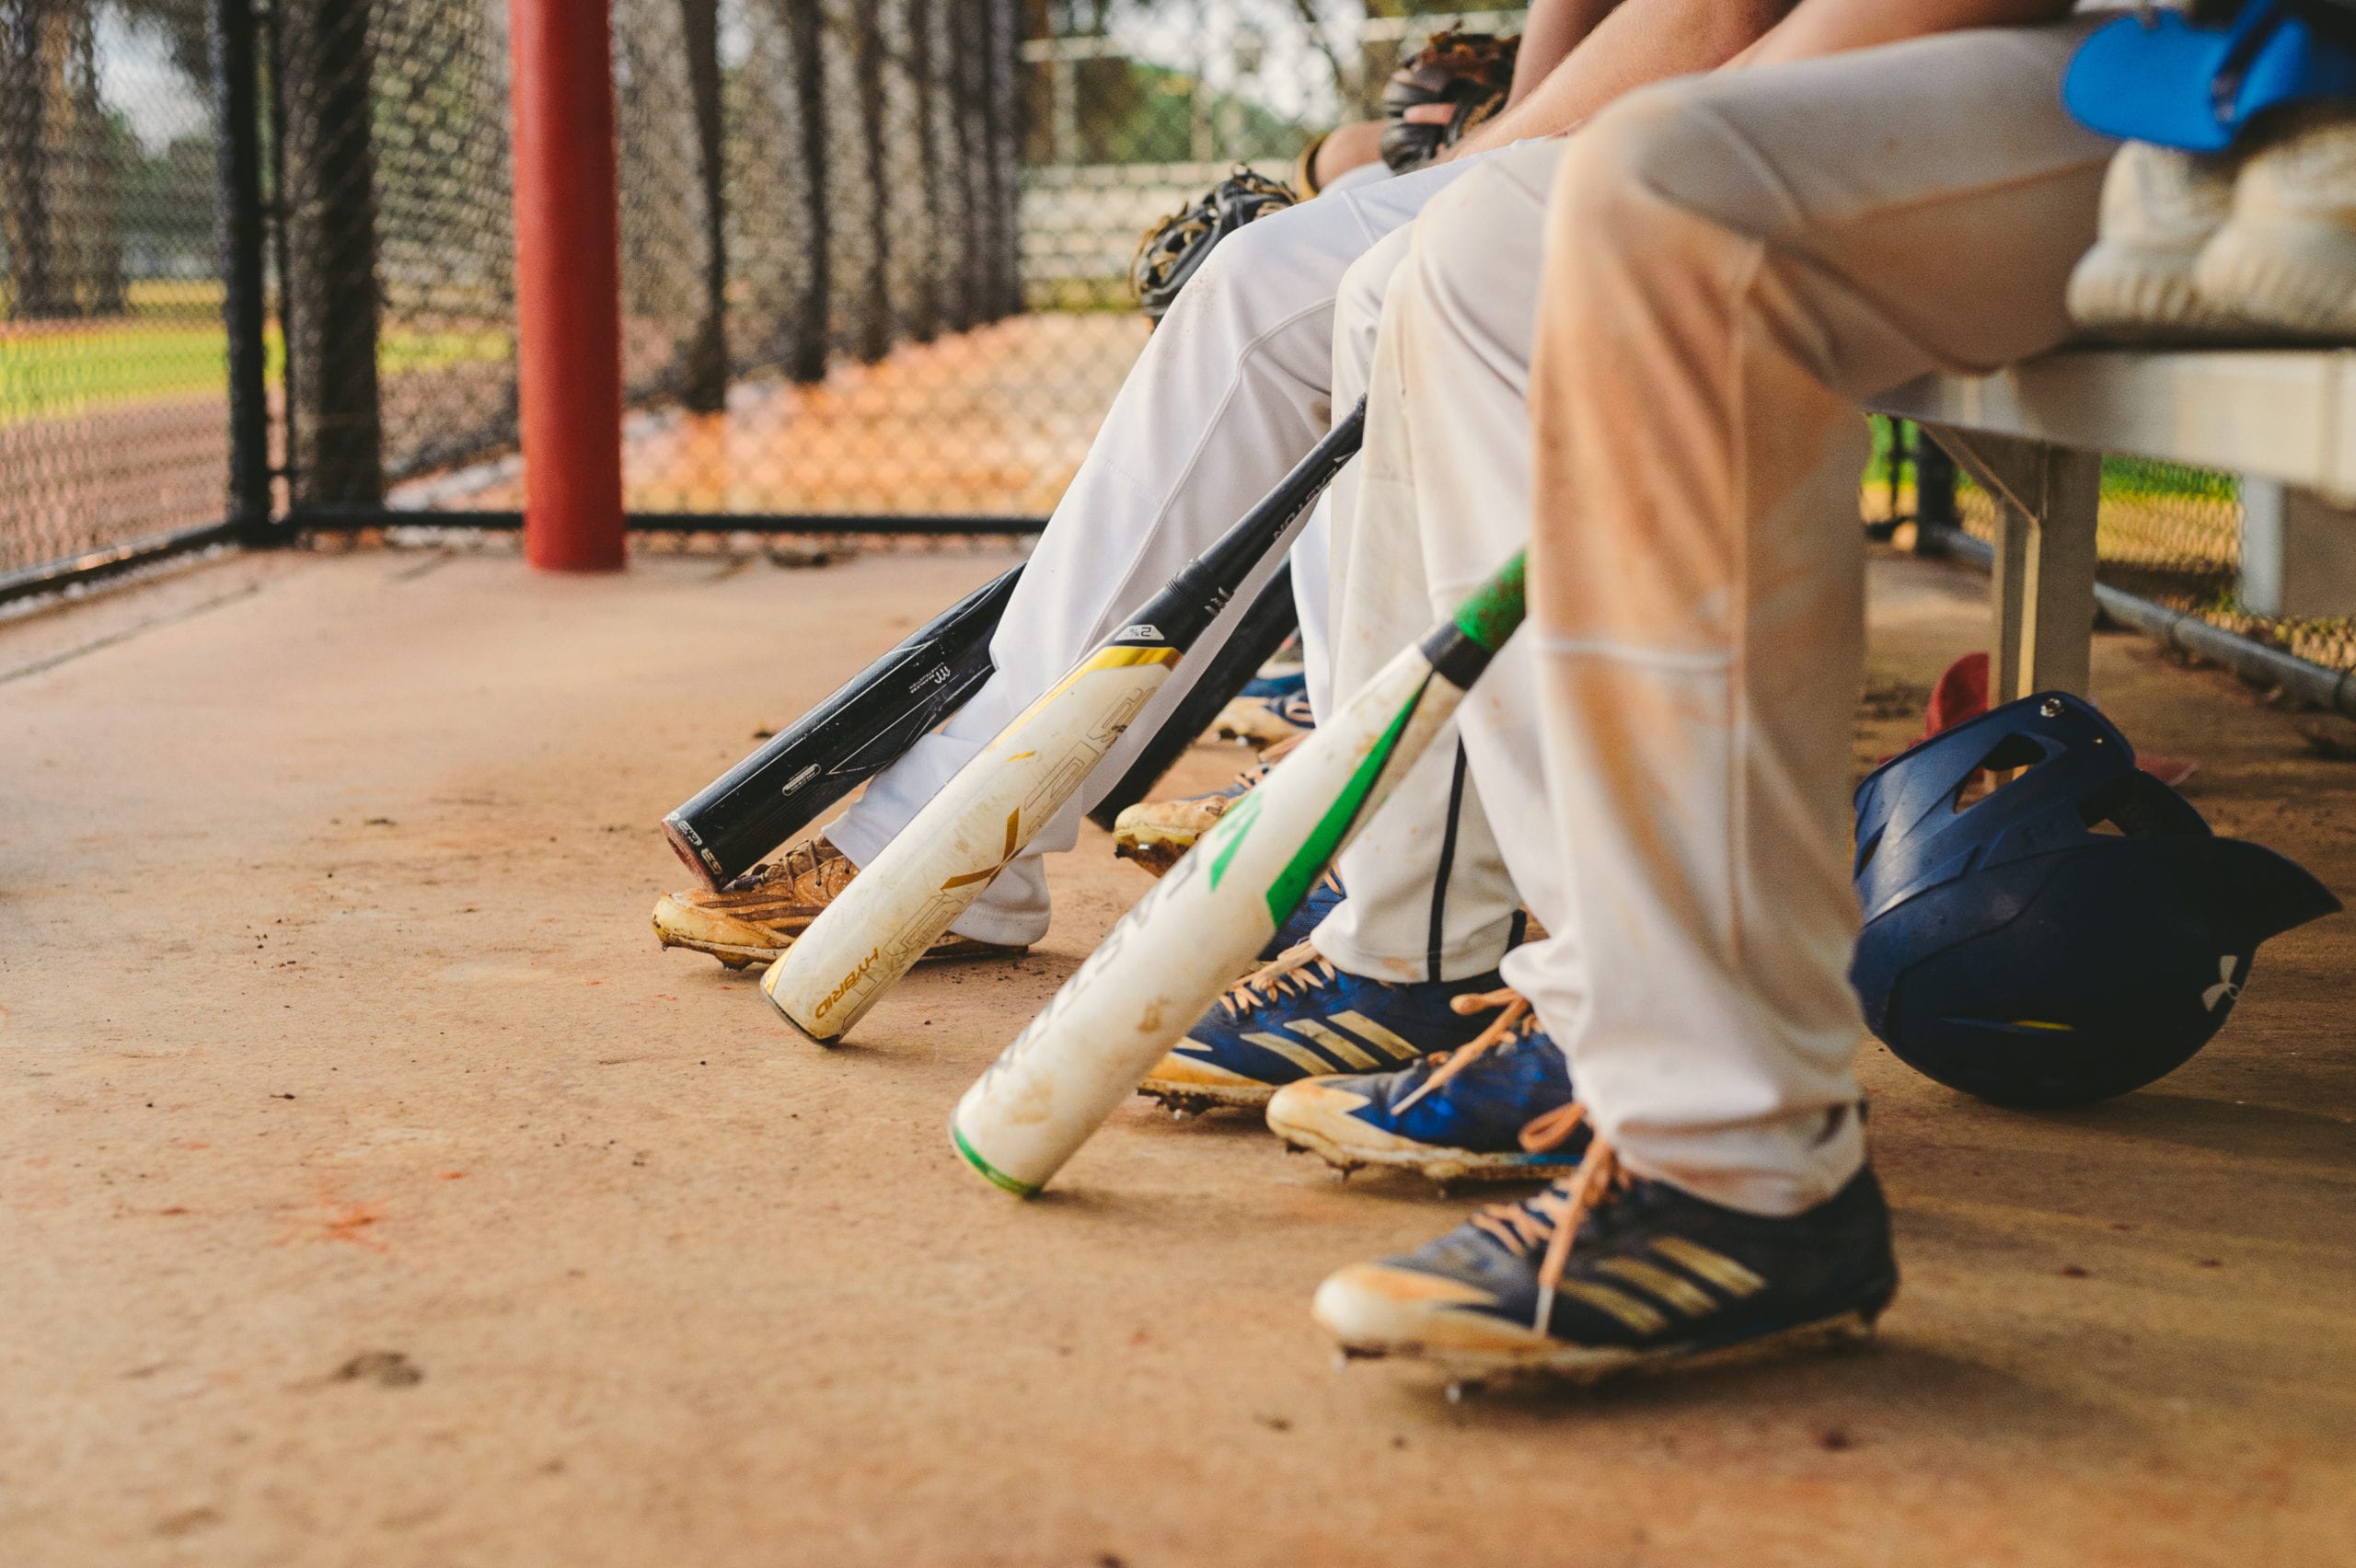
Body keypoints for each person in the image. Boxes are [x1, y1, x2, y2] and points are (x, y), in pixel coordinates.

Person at [1293, 0, 2117, 1383]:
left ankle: (1732, 1157)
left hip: (2247, 83)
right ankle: (1605, 997)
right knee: (1486, 246)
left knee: (1670, 188)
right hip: (2142, 66)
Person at [652, 0, 1790, 1000]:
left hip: (1804, 123)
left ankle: (968, 841)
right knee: (1331, 282)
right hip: (1745, 110)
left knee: (1274, 288)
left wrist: (1454, 153)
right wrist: (1445, 146)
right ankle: (1323, 810)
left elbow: (1717, 22)